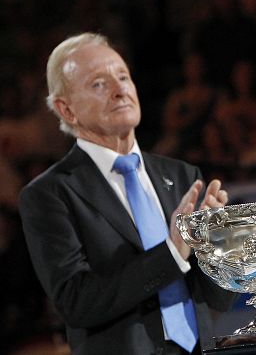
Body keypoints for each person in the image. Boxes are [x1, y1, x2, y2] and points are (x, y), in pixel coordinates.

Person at [18, 33, 236, 354]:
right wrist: (172, 251)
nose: (120, 90)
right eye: (98, 84)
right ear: (66, 109)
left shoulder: (182, 176)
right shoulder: (50, 194)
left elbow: (218, 298)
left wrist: (219, 247)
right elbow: (77, 302)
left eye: (123, 77)